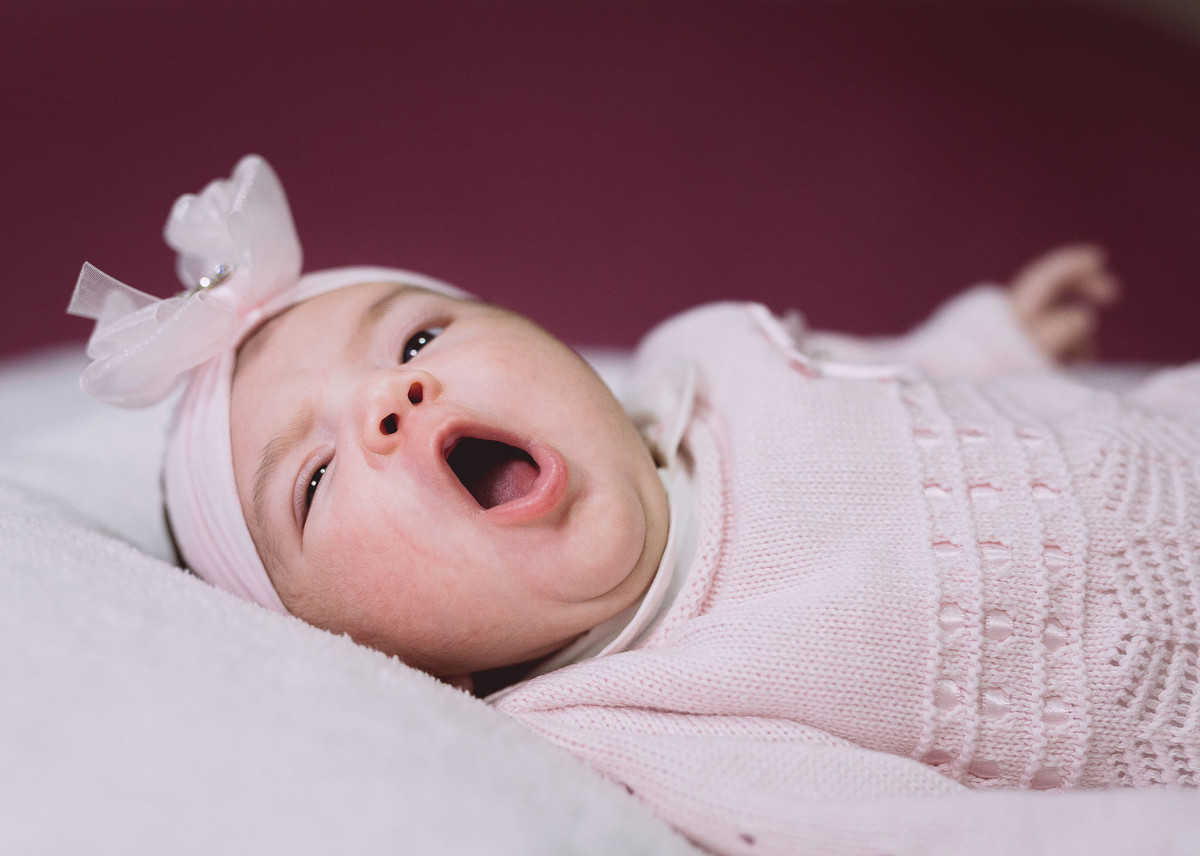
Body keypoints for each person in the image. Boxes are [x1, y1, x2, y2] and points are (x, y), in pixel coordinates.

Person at [69, 157, 1198, 854]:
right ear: (381, 660)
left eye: (418, 337)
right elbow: (912, 834)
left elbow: (876, 378)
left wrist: (984, 344)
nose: (389, 396)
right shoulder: (630, 713)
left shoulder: (710, 358)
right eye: (311, 481)